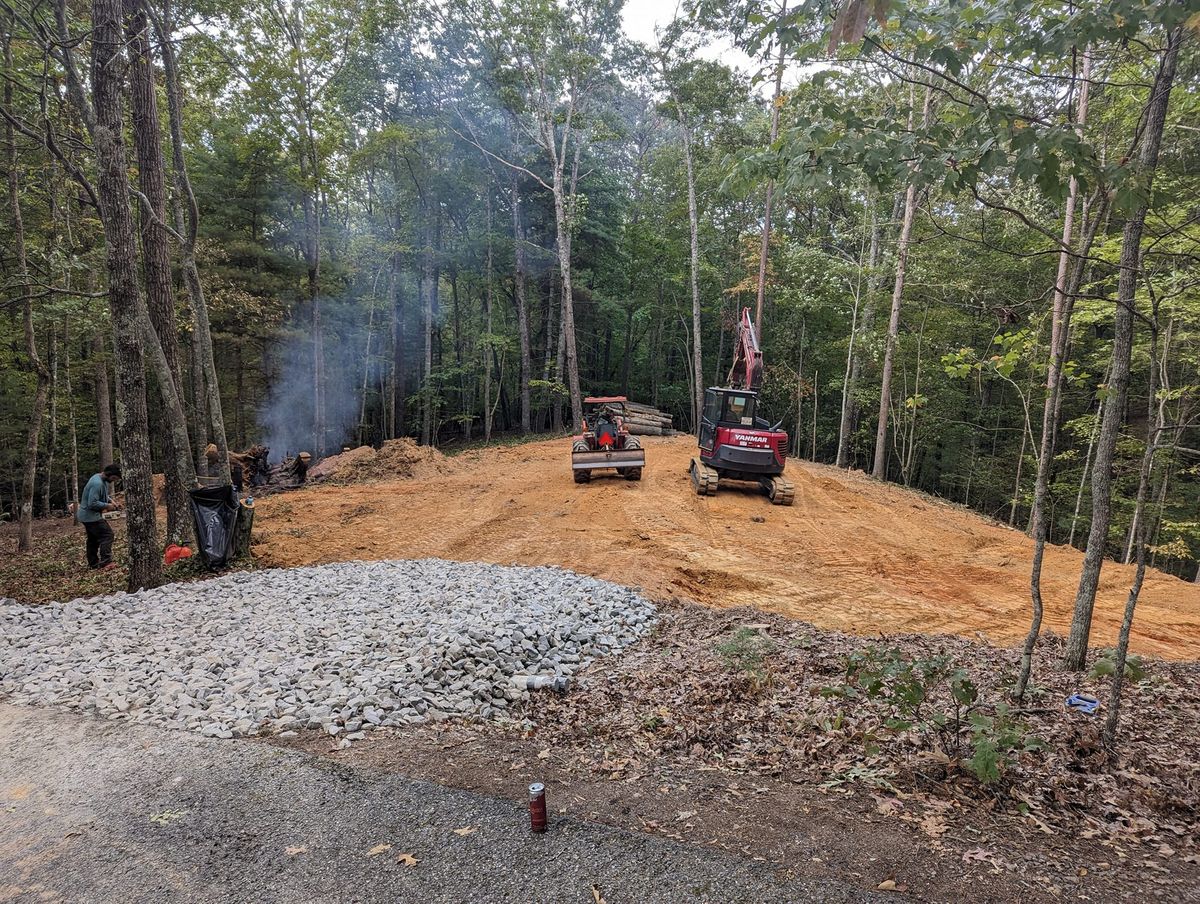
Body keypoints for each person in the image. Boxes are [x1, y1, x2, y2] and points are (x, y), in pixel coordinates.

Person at [77, 464, 122, 570]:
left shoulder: (101, 480)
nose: (114, 480)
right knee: (107, 535)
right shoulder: (97, 483)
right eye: (114, 478)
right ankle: (106, 562)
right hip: (90, 516)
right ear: (109, 474)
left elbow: (102, 495)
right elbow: (92, 503)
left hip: (86, 516)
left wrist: (112, 502)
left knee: (93, 539)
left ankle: (93, 563)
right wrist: (107, 506)